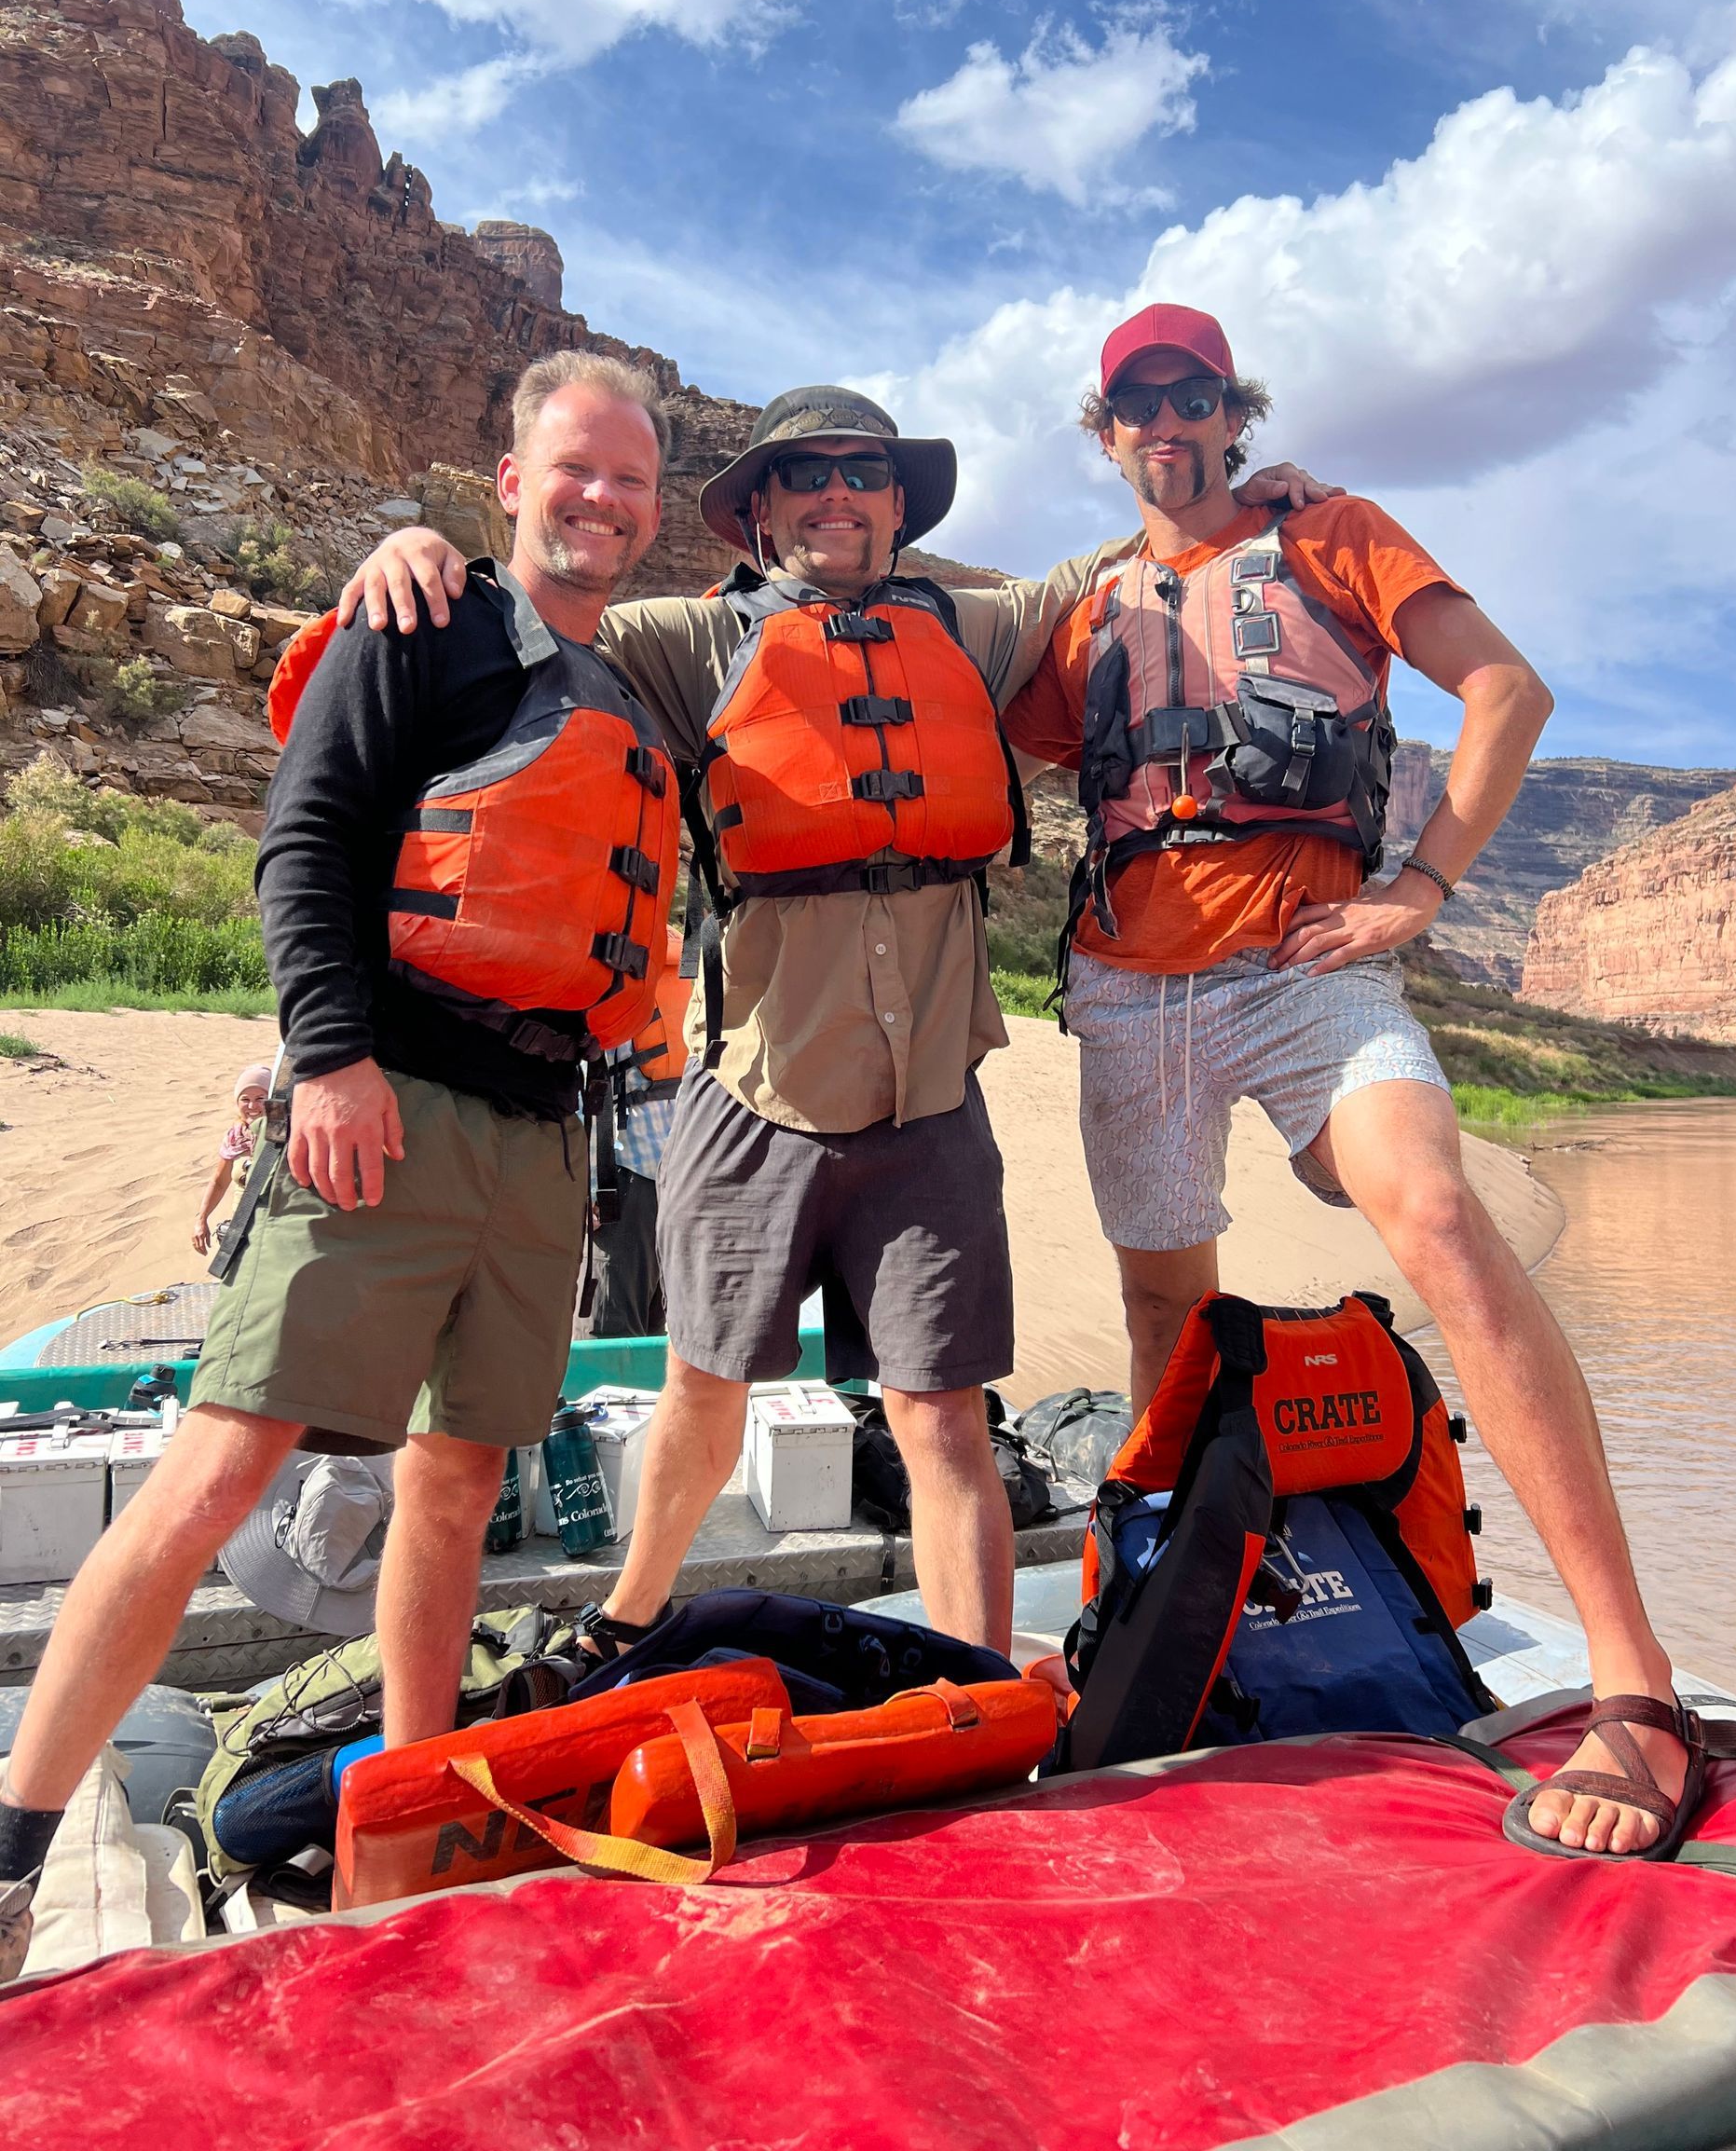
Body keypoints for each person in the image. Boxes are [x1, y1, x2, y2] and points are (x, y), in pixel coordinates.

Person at [335, 387, 1333, 1662]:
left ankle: (975, 1686)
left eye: (863, 473)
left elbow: (1118, 562)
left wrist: (1246, 508)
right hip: (756, 1098)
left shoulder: (971, 630)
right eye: (803, 477)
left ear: (900, 505)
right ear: (757, 514)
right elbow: (539, 607)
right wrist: (429, 554)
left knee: (944, 1422)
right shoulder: (689, 645)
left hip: (932, 1111)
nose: (836, 496)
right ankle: (626, 1621)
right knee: (701, 1394)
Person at [0, 352, 677, 1978]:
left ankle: (412, 1818)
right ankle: (12, 1853)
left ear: (655, 514)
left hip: (537, 1142)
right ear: (508, 481)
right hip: (380, 1109)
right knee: (220, 1468)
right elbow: (305, 836)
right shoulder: (426, 618)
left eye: (631, 483)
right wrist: (327, 1058)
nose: (599, 501)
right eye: (572, 471)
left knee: (455, 1490)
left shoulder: (633, 686)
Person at [1001, 300, 1694, 1861]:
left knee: (1441, 1221)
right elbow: (963, 720)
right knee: (1167, 1323)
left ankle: (1634, 1684)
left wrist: (1427, 886)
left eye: (1191, 397)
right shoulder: (1076, 611)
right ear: (1103, 433)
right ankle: (1157, 1629)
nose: (1164, 425)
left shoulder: (1335, 534)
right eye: (1135, 405)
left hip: (1311, 969)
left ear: (1230, 413)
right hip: (1129, 995)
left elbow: (1507, 692)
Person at [583, 933, 691, 1338]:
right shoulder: (682, 963)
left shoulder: (610, 979)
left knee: (615, 1326)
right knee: (665, 1326)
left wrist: (590, 1187)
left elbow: (590, 1094)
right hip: (684, 1169)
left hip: (625, 1175)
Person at [191, 1062, 273, 1255]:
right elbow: (219, 1182)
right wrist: (201, 1219)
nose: (252, 1106)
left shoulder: (286, 1136)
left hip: (274, 1230)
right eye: (245, 1099)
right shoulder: (235, 1136)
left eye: (261, 1098)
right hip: (242, 1229)